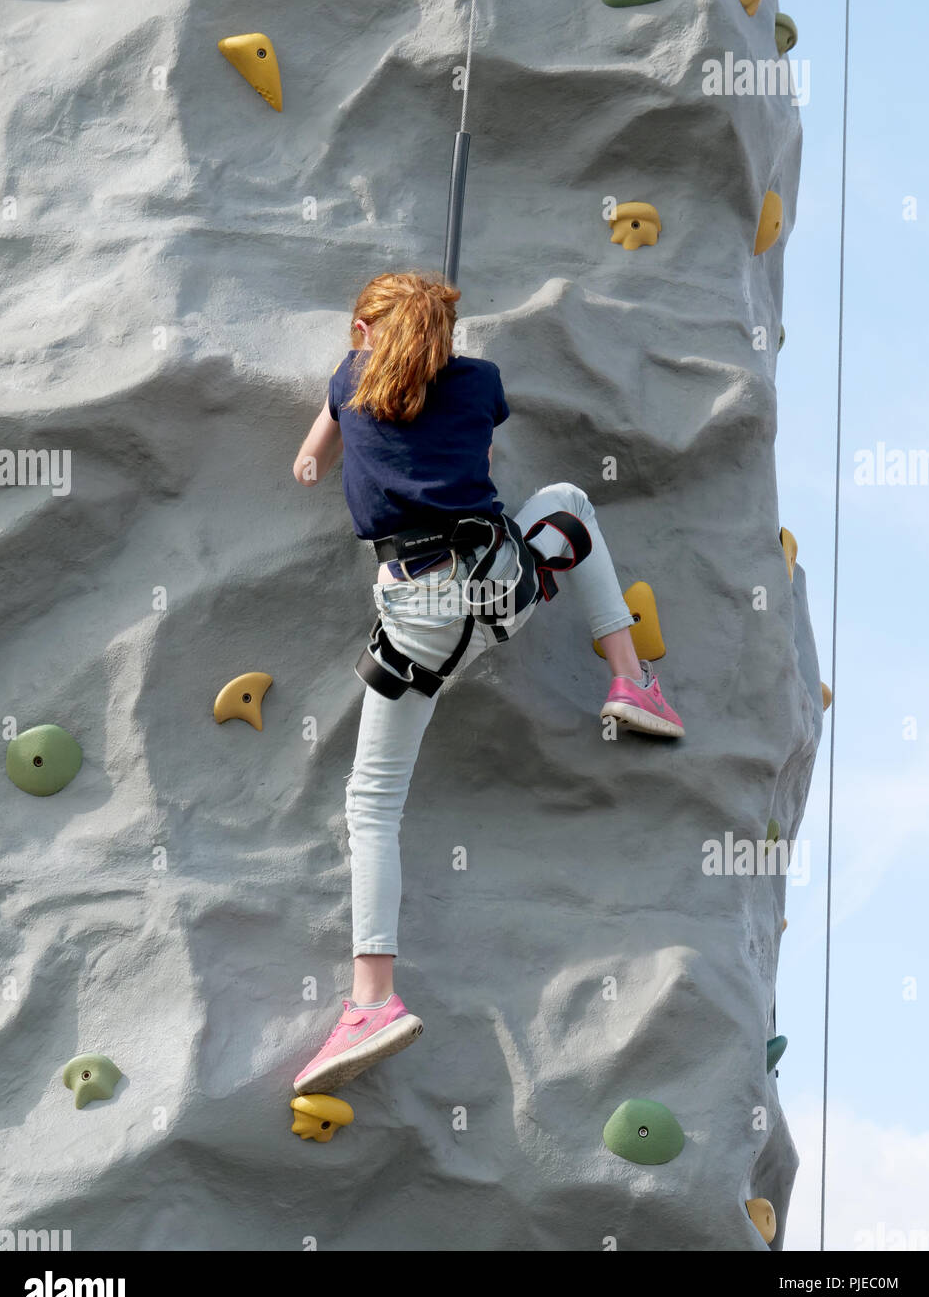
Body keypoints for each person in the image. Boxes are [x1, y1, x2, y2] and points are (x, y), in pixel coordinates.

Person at [291, 271, 683, 1095]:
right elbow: (484, 451)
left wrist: (325, 433)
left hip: (419, 623)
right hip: (500, 588)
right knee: (566, 503)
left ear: (363, 332)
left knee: (372, 805)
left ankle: (373, 1000)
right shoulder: (475, 383)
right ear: (443, 340)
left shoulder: (347, 381)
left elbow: (314, 453)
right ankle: (627, 680)